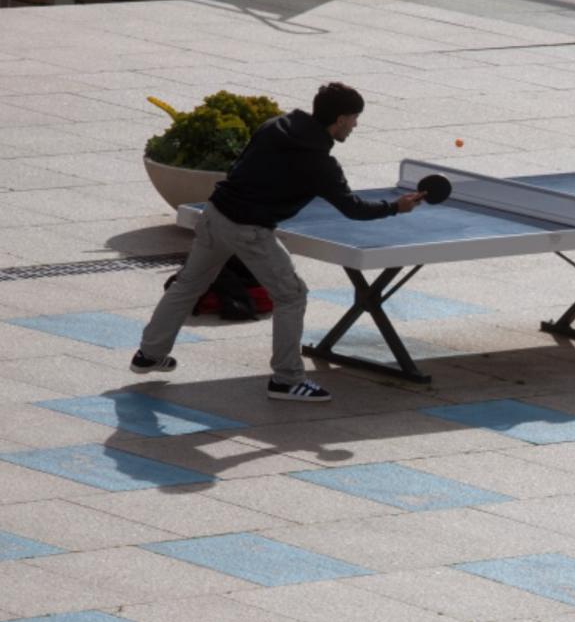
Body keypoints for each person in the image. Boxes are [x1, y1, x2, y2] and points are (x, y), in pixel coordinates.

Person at [130, 83, 426, 403]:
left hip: (216, 214)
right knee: (292, 295)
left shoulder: (275, 126)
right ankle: (287, 379)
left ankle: (149, 354)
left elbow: (241, 167)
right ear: (340, 119)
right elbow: (353, 209)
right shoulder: (319, 163)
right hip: (250, 230)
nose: (355, 125)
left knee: (189, 284)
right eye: (354, 118)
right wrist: (396, 207)